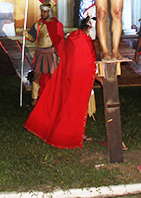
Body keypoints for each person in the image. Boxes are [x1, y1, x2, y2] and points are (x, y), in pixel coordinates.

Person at [24, 16, 97, 149]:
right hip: (71, 76)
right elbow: (84, 61)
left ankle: (64, 131)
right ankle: (69, 134)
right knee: (71, 107)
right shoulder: (80, 40)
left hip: (68, 74)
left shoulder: (74, 36)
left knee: (65, 105)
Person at [25, 0, 64, 106]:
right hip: (40, 53)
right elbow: (32, 39)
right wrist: (26, 34)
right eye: (42, 12)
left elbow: (59, 41)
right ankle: (35, 99)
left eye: (45, 12)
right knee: (36, 74)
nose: (42, 14)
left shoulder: (56, 25)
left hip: (51, 53)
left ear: (50, 12)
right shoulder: (38, 24)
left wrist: (60, 54)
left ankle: (55, 98)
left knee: (53, 75)